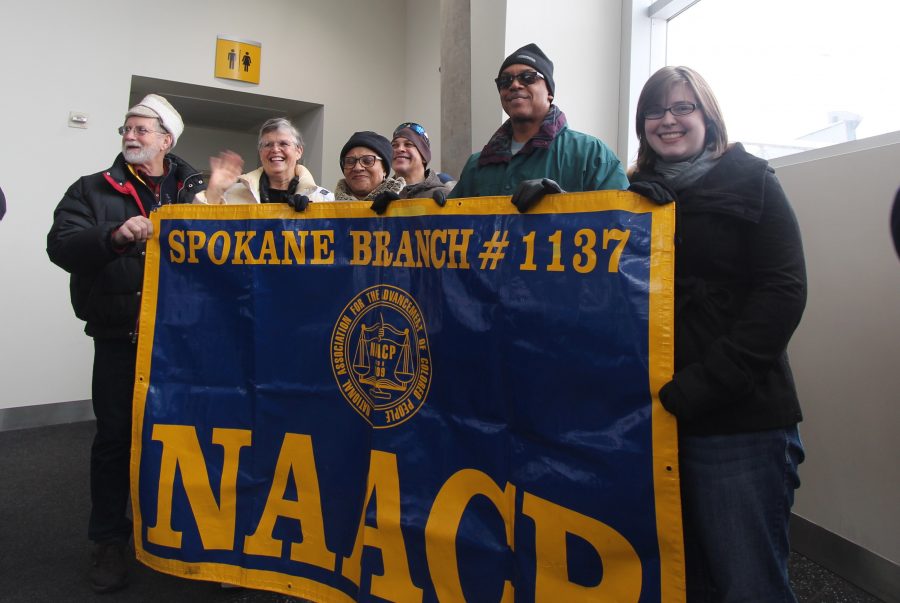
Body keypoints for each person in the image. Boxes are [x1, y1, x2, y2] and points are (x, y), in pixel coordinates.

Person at [628, 66, 807, 602]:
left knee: (747, 580)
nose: (669, 120)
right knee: (686, 580)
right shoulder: (632, 195)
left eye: (683, 107)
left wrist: (709, 383)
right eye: (656, 111)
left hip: (738, 420)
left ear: (708, 116)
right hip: (654, 420)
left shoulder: (753, 179)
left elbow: (783, 292)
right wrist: (543, 217)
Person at [46, 94, 205, 594]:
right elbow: (61, 245)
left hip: (185, 343)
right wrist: (115, 235)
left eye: (141, 130)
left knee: (184, 441)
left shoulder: (196, 191)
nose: (130, 137)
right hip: (121, 336)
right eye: (126, 129)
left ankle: (181, 534)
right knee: (115, 440)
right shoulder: (93, 189)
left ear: (167, 140)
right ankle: (110, 541)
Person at [447, 42, 628, 210]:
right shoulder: (476, 165)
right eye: (505, 81)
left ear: (549, 92)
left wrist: (562, 203)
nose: (515, 85)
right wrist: (435, 212)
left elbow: (623, 222)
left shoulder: (592, 155)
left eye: (528, 77)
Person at [195, 117, 333, 210]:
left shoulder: (323, 199)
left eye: (283, 143)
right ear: (260, 153)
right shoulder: (232, 195)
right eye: (268, 145)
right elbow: (197, 233)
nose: (275, 150)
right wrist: (214, 190)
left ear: (299, 151)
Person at [335, 131, 405, 212]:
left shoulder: (408, 204)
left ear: (384, 169)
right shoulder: (326, 212)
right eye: (350, 162)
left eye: (367, 160)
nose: (357, 168)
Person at [391, 122, 452, 204]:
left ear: (424, 157)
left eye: (408, 144)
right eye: (394, 145)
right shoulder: (379, 196)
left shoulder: (448, 196)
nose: (399, 149)